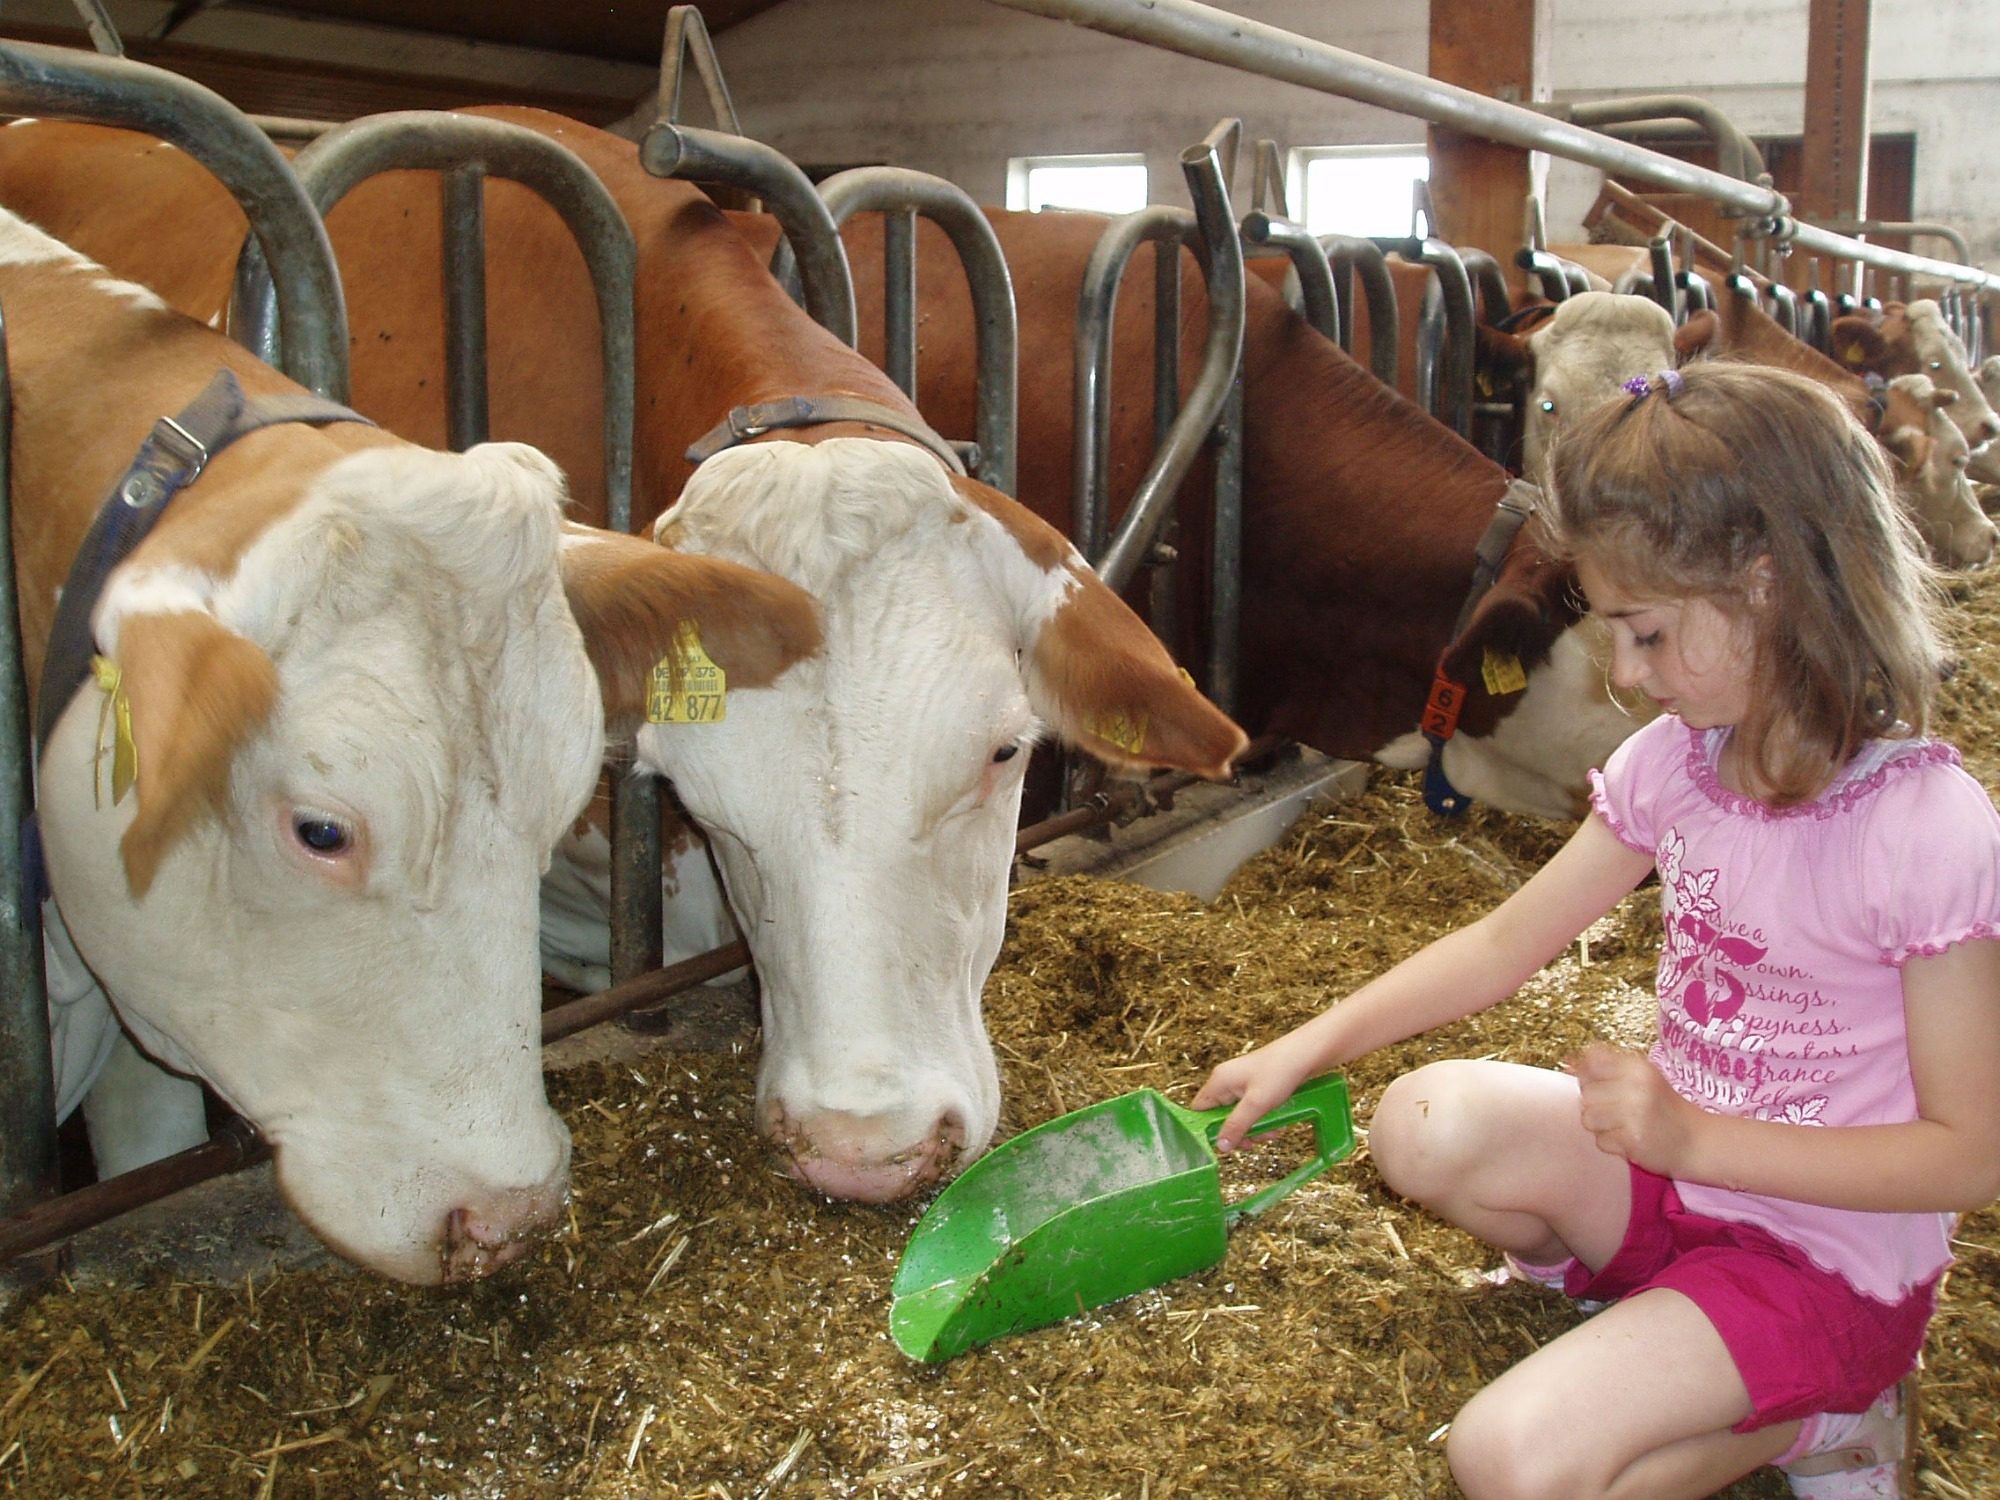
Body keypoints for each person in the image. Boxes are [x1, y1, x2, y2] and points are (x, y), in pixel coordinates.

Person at [1193, 361, 2000, 1500]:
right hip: (1671, 1191)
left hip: (1825, 1264)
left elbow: (1969, 1154)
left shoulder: (1925, 829)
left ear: (1767, 586)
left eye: (1647, 635)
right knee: (1420, 1123)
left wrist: (1697, 1142)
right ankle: (1625, 1313)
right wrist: (1305, 1046)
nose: (1623, 676)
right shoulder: (1679, 763)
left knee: (1507, 1461)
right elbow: (1499, 944)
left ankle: (1828, 1423)